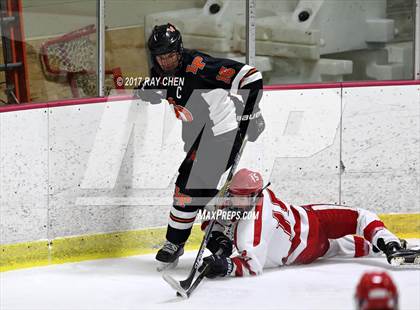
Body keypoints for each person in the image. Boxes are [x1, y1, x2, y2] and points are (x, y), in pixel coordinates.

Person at [134, 23, 265, 269]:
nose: (165, 60)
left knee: (188, 188)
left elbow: (251, 76)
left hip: (222, 135)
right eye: (160, 56)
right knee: (197, 192)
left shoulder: (199, 66)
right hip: (199, 138)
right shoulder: (161, 72)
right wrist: (147, 90)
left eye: (170, 55)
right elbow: (167, 87)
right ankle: (221, 237)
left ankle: (178, 243)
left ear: (179, 50)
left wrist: (251, 114)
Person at [199, 168, 419, 278]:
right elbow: (213, 218)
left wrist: (225, 266)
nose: (232, 199)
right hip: (308, 223)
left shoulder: (252, 227)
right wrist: (217, 236)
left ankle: (388, 245)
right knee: (360, 218)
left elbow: (251, 266)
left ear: (253, 197)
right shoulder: (250, 198)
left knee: (338, 244)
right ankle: (389, 244)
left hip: (305, 247)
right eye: (232, 194)